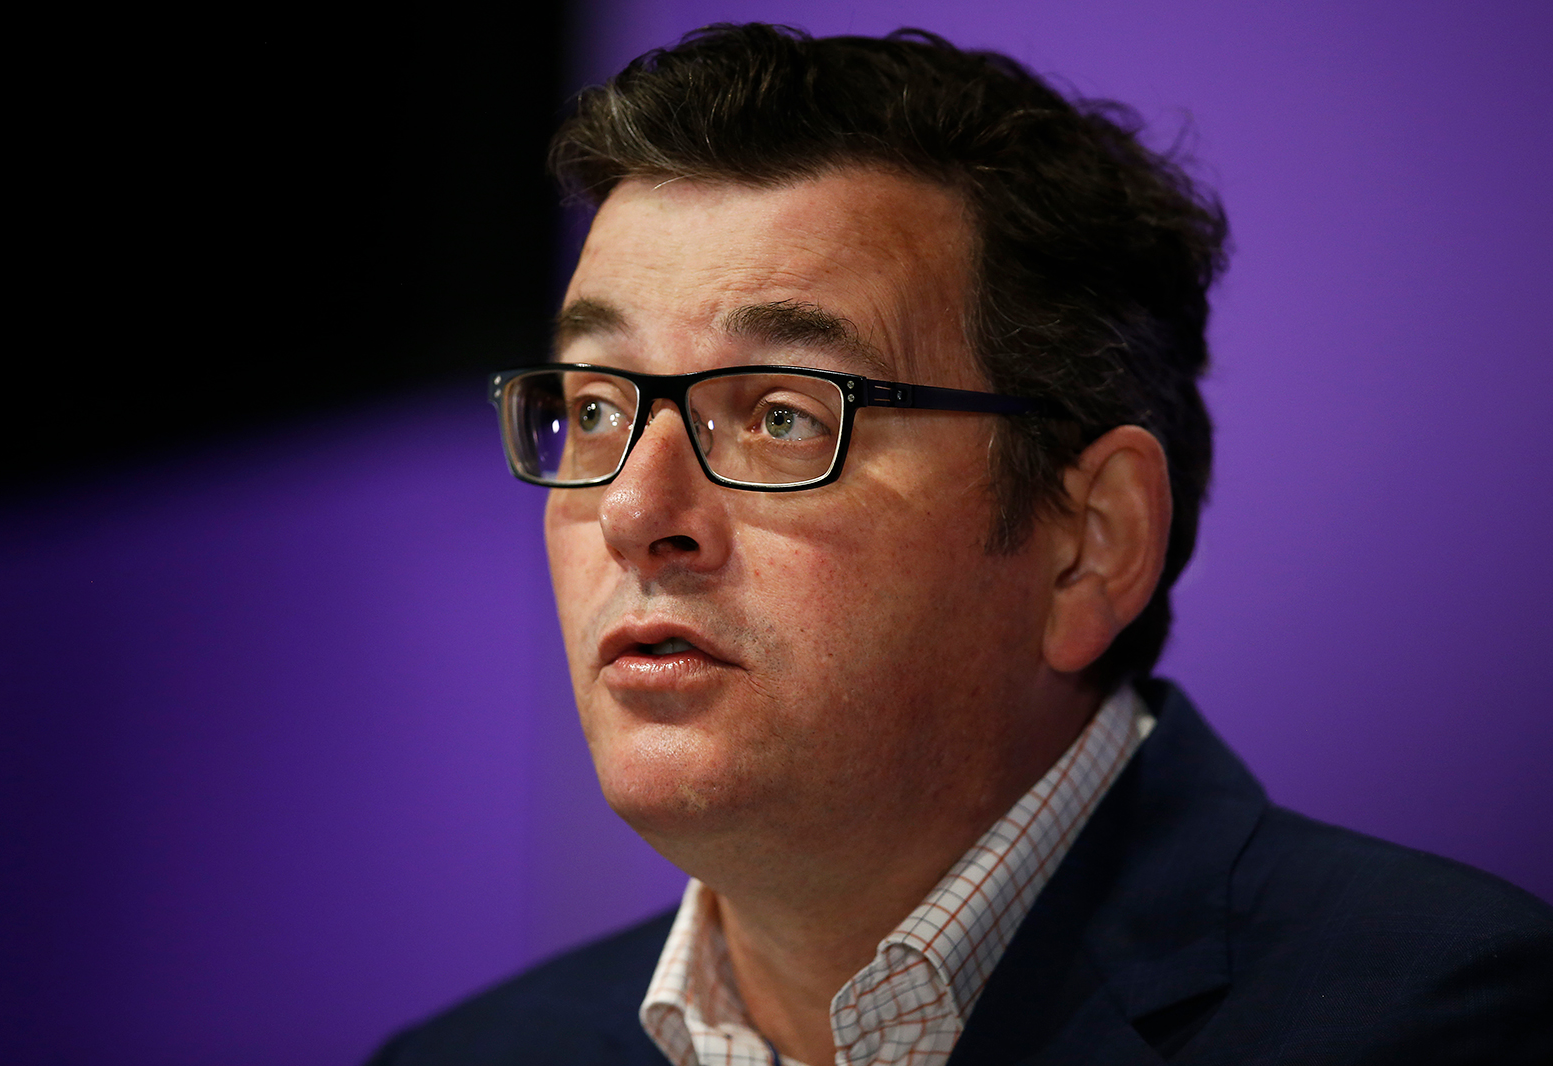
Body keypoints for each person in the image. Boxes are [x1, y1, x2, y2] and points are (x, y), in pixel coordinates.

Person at [368, 24, 1553, 1066]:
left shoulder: (1445, 1014)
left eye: (784, 416)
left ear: (1088, 543)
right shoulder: (467, 1053)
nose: (635, 510)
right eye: (592, 410)